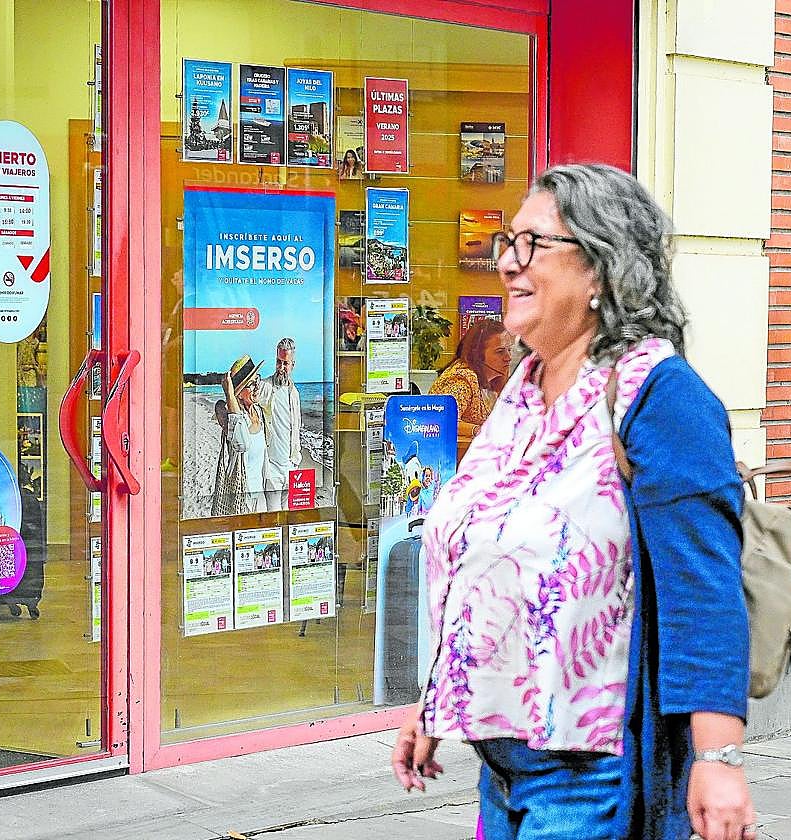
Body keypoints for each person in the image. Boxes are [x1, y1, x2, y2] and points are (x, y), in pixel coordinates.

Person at [391, 164, 755, 840]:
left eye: (534, 244)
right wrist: (433, 703)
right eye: (508, 242)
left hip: (591, 781)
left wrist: (717, 758)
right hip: (500, 778)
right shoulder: (523, 391)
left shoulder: (658, 397)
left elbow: (703, 591)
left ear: (601, 271)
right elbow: (480, 560)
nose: (507, 262)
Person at [429, 318, 511, 445]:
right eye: (500, 352)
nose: (508, 358)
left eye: (509, 350)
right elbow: (442, 419)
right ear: (477, 354)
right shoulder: (461, 379)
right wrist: (480, 430)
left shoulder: (490, 382)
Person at [210, 355, 269, 516]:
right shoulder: (232, 419)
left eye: (258, 380)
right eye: (251, 384)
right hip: (242, 496)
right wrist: (229, 392)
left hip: (261, 494)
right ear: (239, 393)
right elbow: (242, 443)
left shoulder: (258, 412)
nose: (257, 387)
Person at [253, 338, 303, 512]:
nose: (281, 368)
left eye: (285, 364)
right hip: (272, 467)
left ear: (292, 364)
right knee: (273, 517)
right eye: (278, 362)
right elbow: (246, 400)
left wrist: (296, 461)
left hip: (292, 466)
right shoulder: (266, 387)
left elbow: (296, 428)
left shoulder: (294, 393)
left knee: (291, 517)